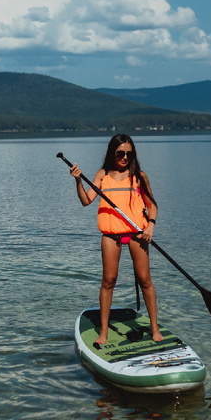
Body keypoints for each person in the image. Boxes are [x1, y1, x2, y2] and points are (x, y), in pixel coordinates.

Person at [68, 134, 162, 345]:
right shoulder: (103, 175)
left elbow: (152, 204)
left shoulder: (139, 176)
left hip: (138, 234)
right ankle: (104, 332)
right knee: (108, 281)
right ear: (112, 153)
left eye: (129, 154)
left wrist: (151, 225)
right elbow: (86, 201)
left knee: (145, 280)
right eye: (120, 153)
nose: (125, 157)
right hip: (111, 236)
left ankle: (155, 329)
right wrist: (77, 180)